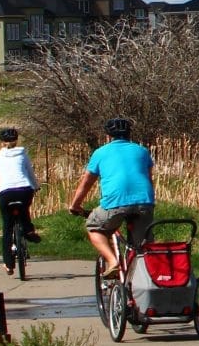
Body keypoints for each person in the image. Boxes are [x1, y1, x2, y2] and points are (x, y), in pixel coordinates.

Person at [66, 117, 154, 278]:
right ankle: (141, 283)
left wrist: (75, 205)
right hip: (144, 202)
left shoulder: (100, 153)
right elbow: (148, 179)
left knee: (94, 227)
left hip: (115, 203)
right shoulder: (142, 151)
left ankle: (113, 262)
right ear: (129, 134)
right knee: (143, 247)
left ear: (108, 136)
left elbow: (86, 183)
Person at [0, 127, 42, 276]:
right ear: (16, 141)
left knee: (7, 227)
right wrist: (35, 186)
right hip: (24, 190)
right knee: (24, 210)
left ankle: (9, 264)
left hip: (5, 193)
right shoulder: (23, 155)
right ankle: (29, 231)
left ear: (1, 142)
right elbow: (30, 173)